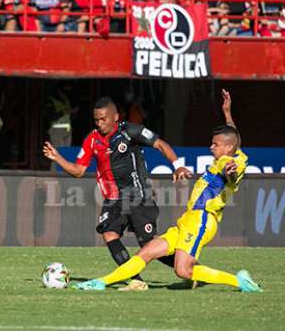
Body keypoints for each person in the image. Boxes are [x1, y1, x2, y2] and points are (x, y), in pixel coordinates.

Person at [73, 89, 261, 292]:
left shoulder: (229, 162)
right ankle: (100, 283)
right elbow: (233, 136)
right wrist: (227, 113)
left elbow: (229, 172)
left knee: (182, 270)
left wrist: (229, 172)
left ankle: (239, 281)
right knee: (146, 252)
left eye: (215, 144)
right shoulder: (236, 152)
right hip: (188, 219)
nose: (210, 147)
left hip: (203, 220)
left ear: (228, 148)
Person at [43, 96, 193, 291]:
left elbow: (160, 144)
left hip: (138, 196)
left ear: (115, 116)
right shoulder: (92, 140)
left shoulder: (130, 131)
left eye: (103, 119)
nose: (99, 123)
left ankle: (192, 270)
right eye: (96, 119)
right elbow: (79, 171)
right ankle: (136, 280)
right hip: (113, 199)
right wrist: (58, 158)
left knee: (149, 245)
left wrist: (178, 166)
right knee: (109, 234)